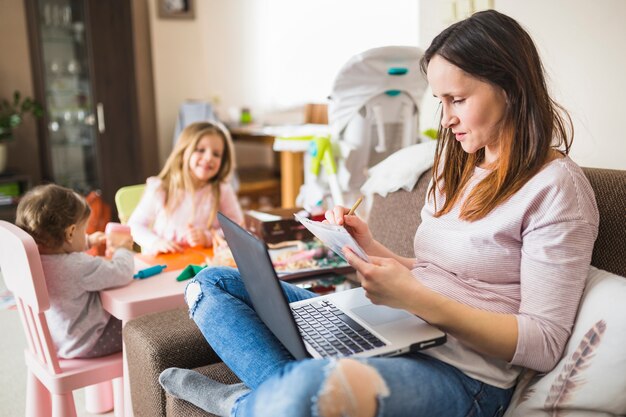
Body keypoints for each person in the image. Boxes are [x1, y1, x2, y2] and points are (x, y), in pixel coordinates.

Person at [158, 10, 599, 417]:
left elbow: (543, 343)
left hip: (466, 376)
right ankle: (273, 402)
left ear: (511, 87)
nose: (445, 119)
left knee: (308, 389)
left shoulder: (556, 189)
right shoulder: (458, 164)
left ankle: (244, 405)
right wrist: (367, 247)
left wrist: (415, 299)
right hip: (397, 328)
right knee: (211, 285)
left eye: (456, 100)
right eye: (438, 101)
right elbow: (432, 270)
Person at [15, 184, 134, 359]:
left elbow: (62, 245)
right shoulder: (78, 266)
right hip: (89, 342)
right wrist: (123, 250)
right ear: (70, 233)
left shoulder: (31, 259)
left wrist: (87, 241)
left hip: (56, 340)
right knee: (139, 325)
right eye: (83, 230)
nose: (85, 233)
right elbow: (123, 272)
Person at [128, 121, 244, 255]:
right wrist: (155, 242)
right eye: (200, 150)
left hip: (203, 263)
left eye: (216, 154)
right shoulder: (161, 188)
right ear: (183, 153)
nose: (208, 157)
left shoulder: (222, 189)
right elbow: (134, 225)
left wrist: (207, 237)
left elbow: (238, 227)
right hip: (165, 263)